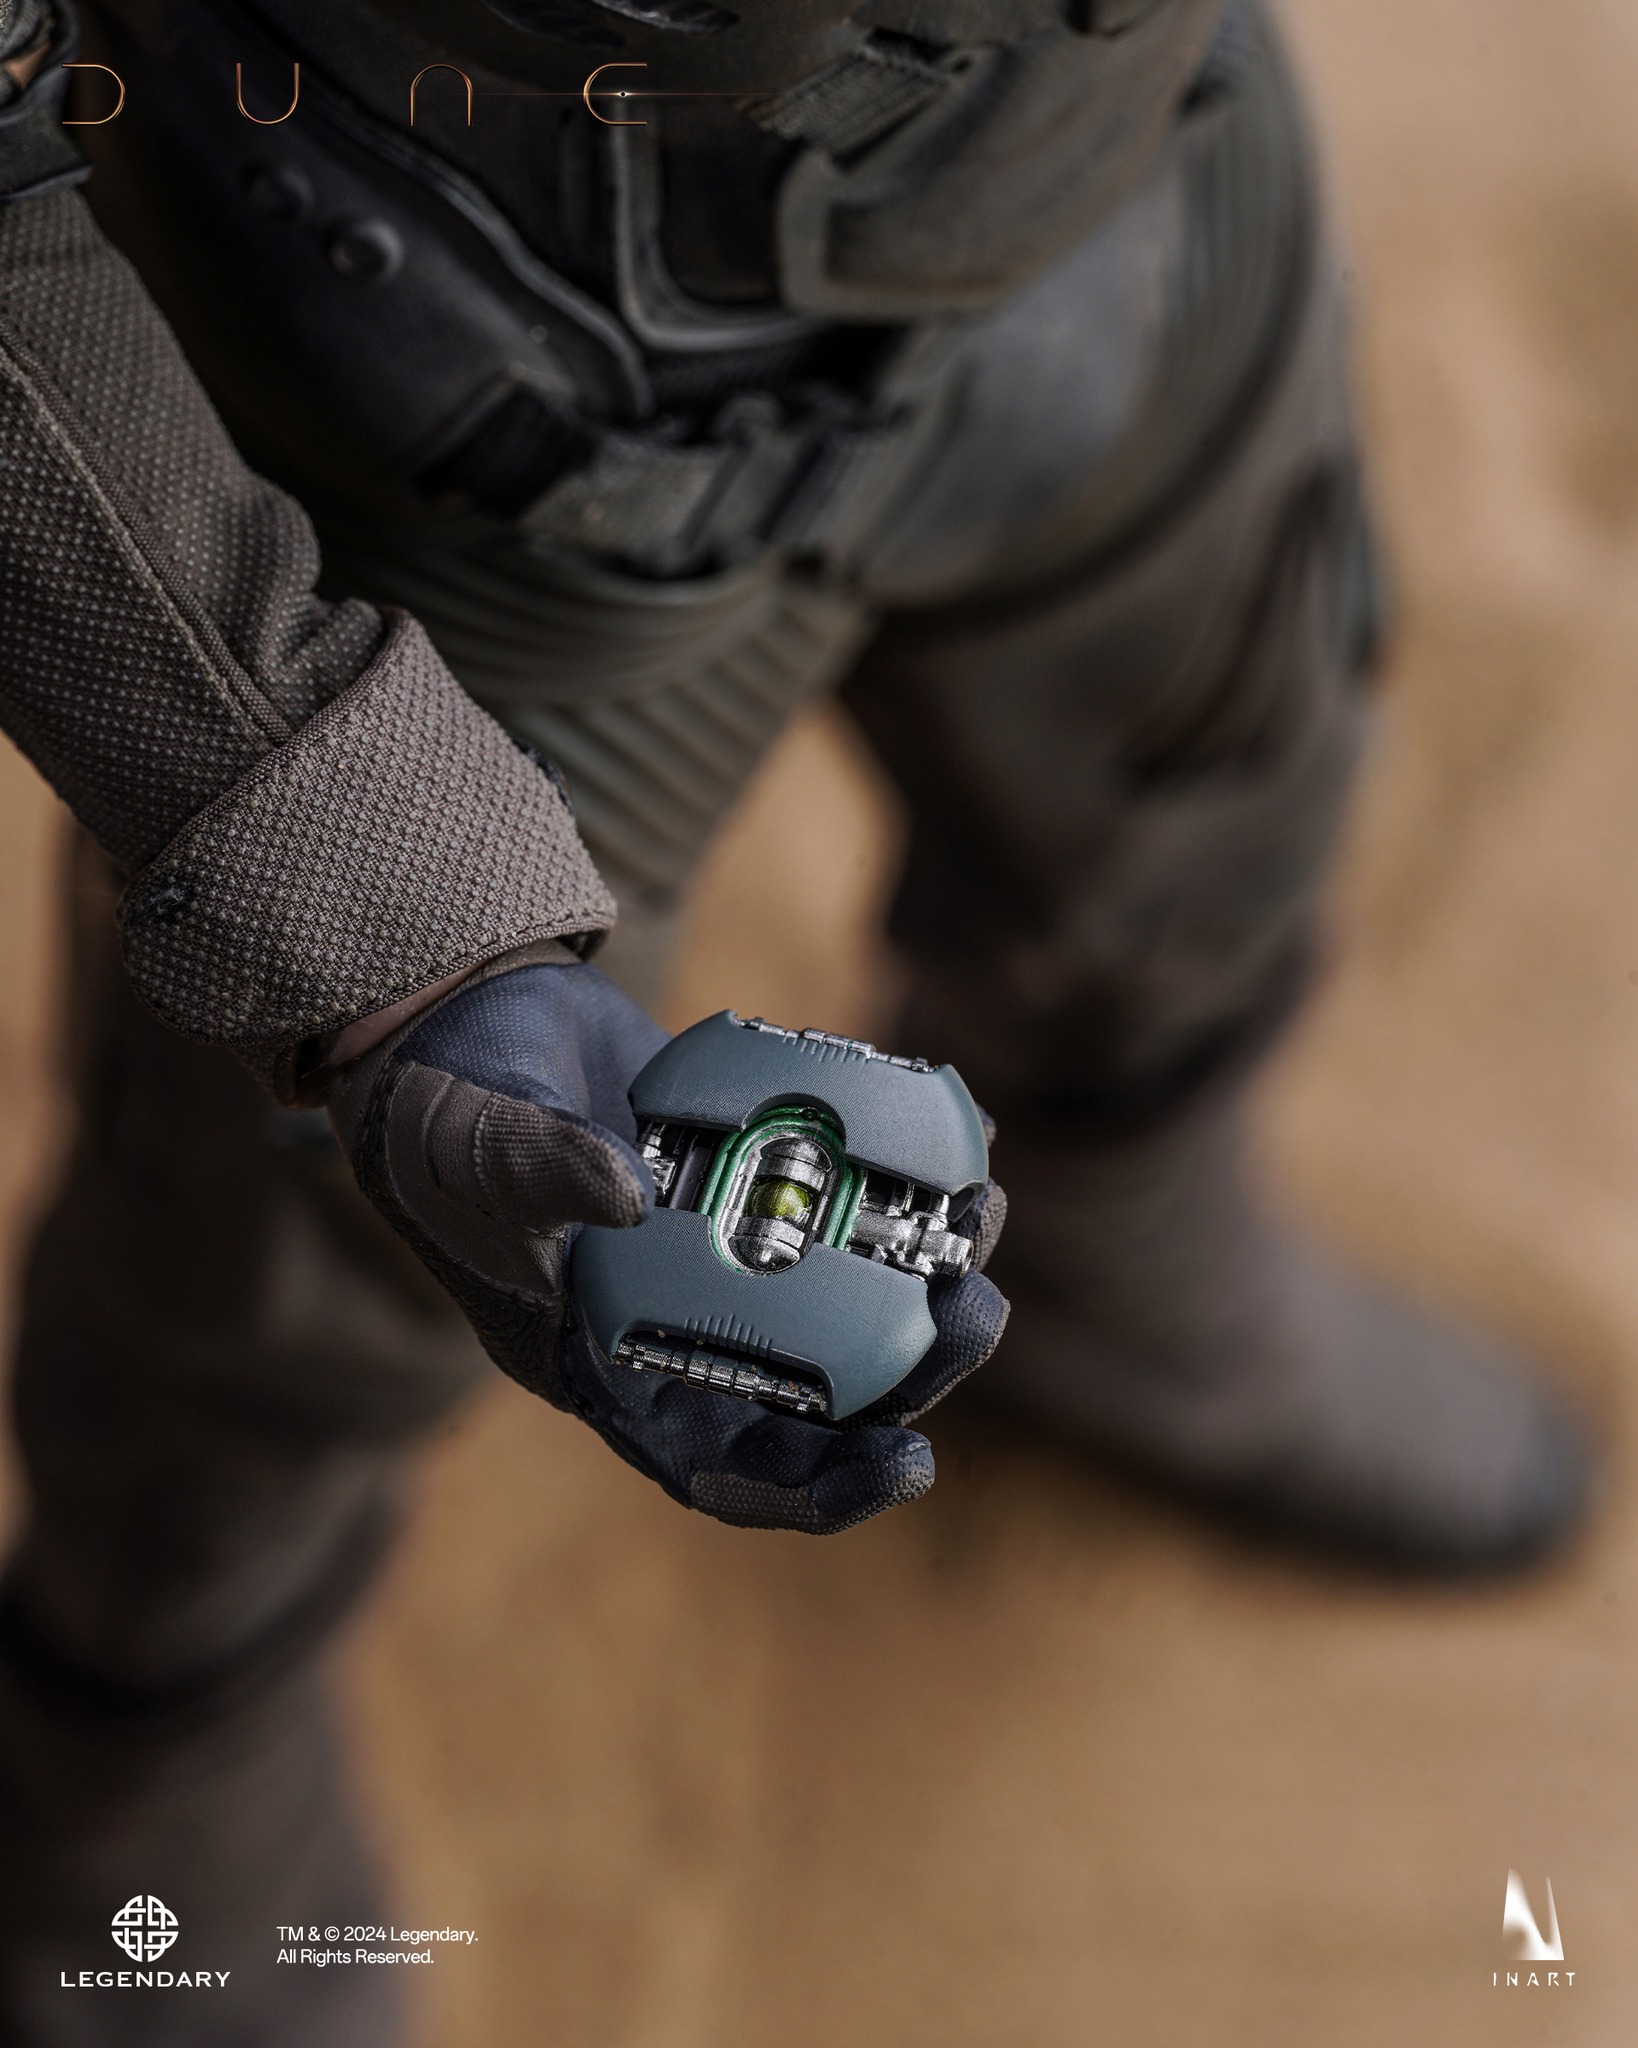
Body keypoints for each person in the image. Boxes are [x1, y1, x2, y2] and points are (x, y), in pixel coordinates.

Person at [0, 0, 1591, 2039]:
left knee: (1213, 800)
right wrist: (378, 917)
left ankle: (1118, 1260)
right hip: (461, 427)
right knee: (318, 1269)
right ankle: (154, 1749)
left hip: (1136, 190)